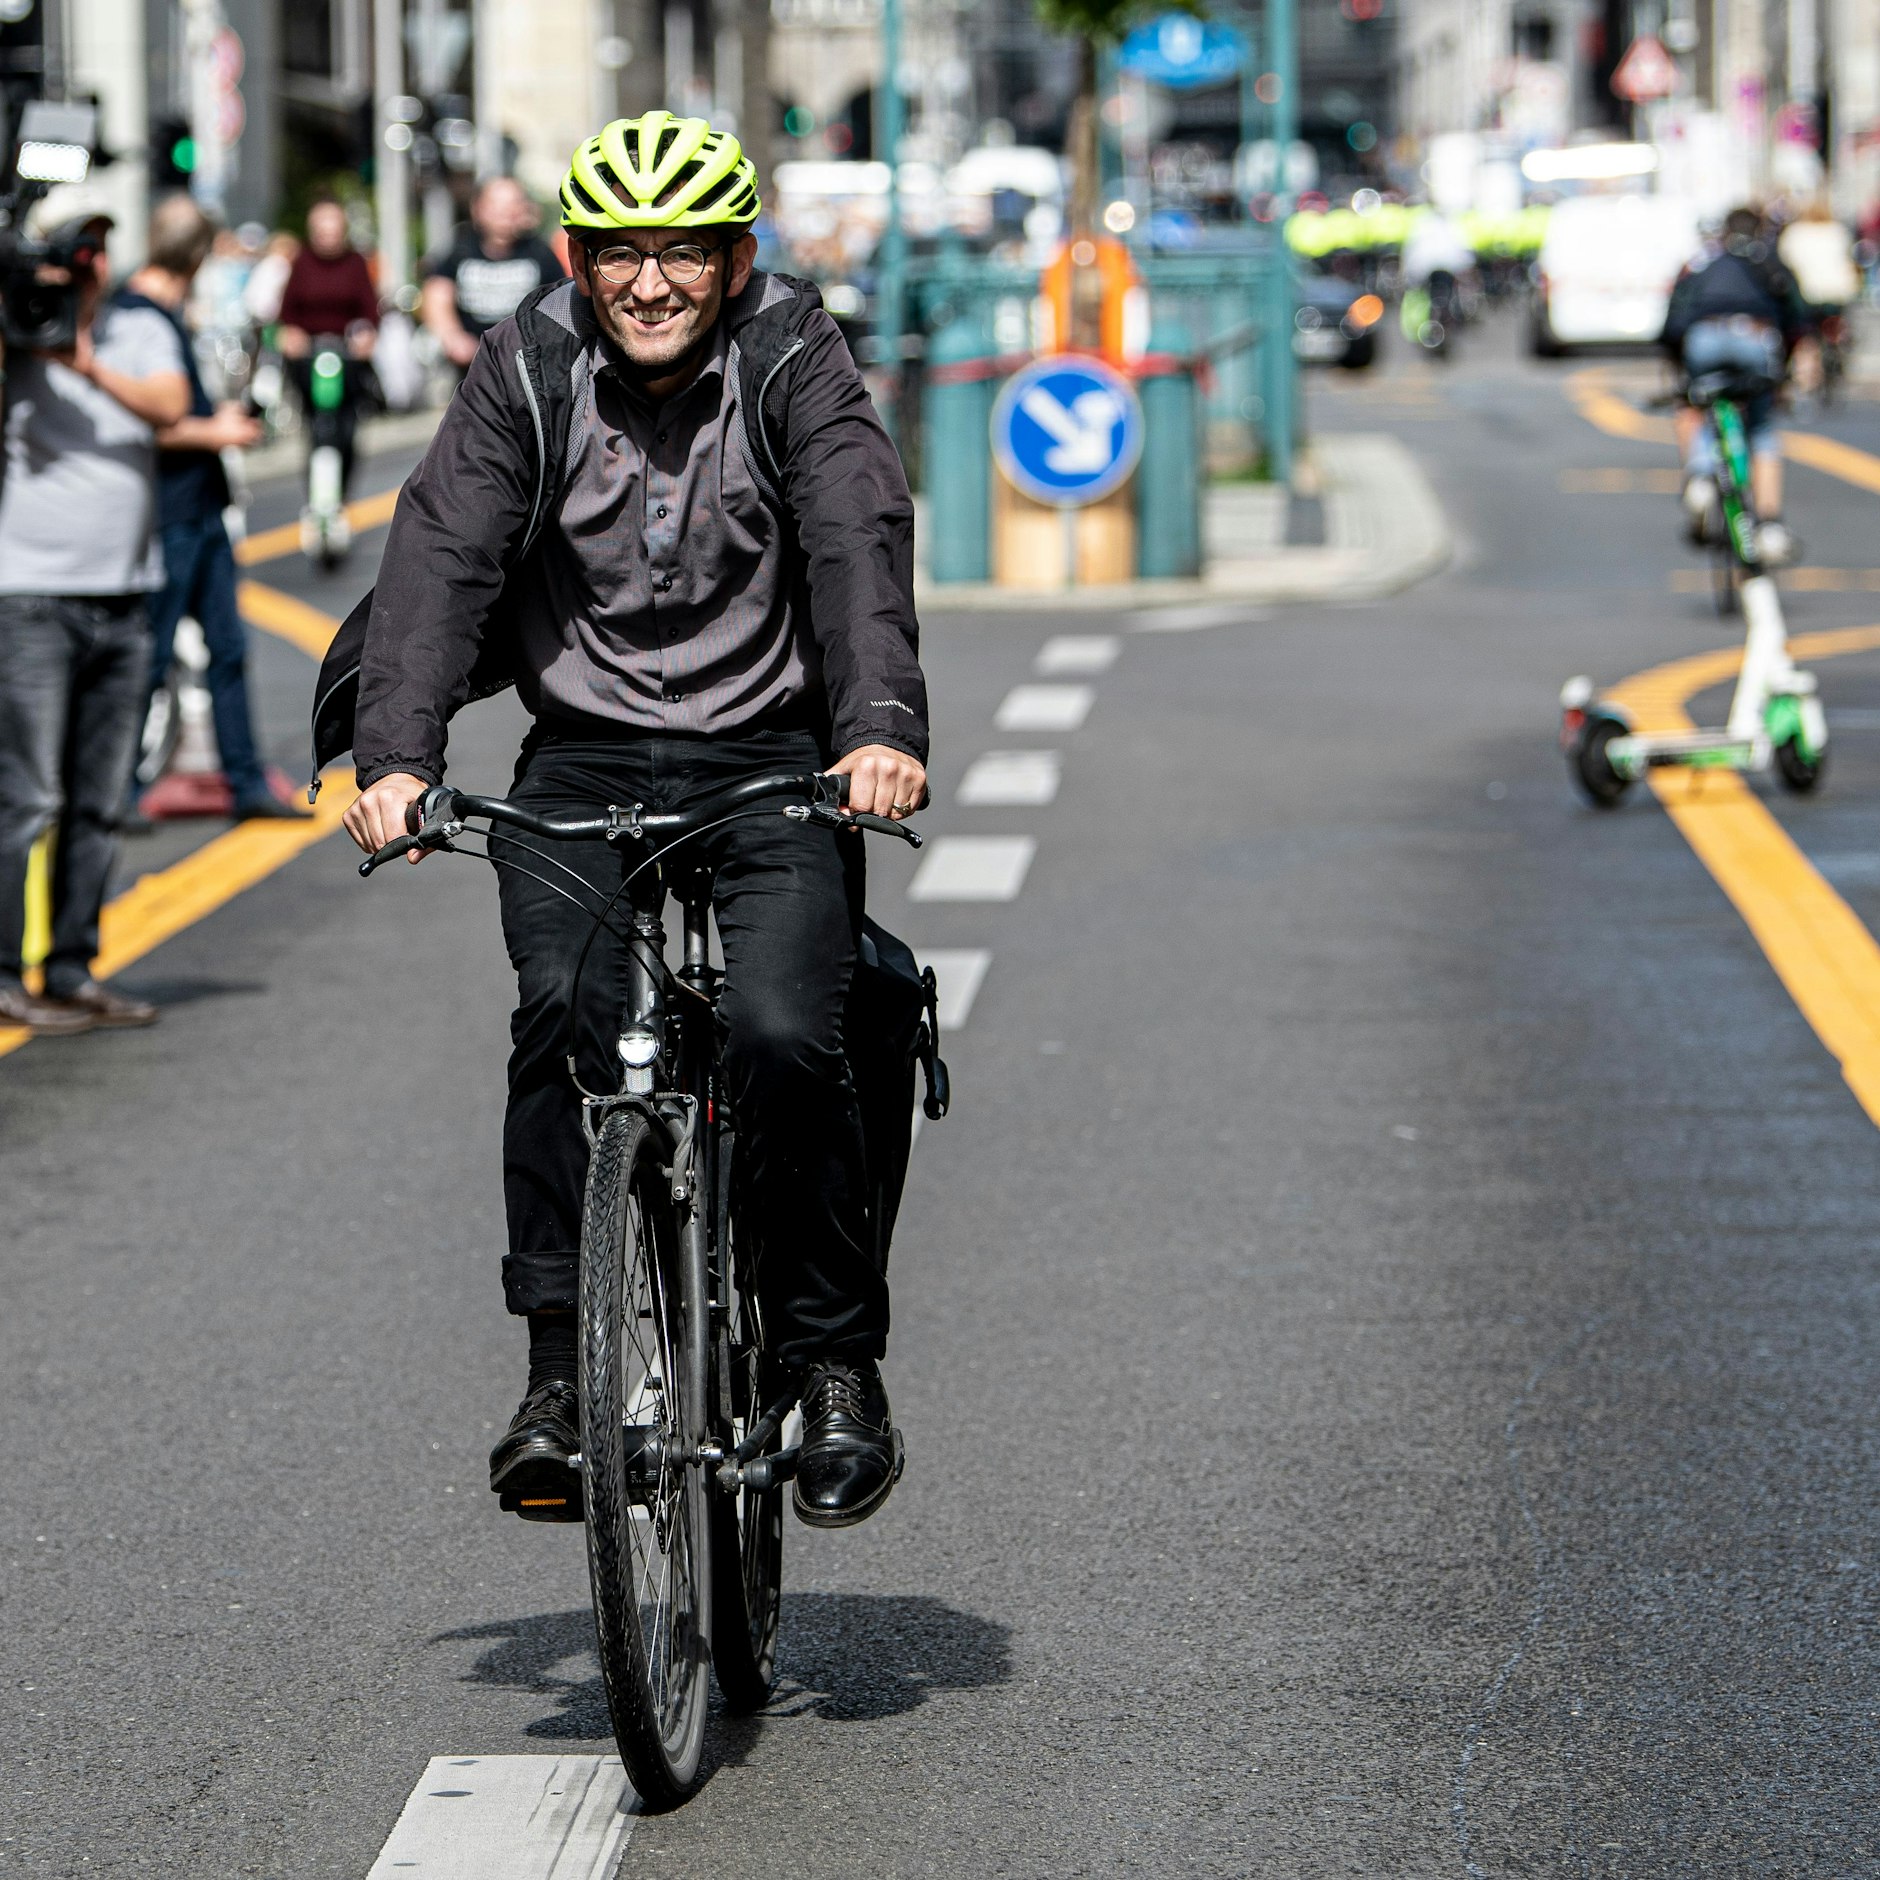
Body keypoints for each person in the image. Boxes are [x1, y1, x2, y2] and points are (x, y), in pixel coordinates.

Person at [340, 112, 928, 1530]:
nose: (649, 280)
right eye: (619, 252)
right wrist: (397, 755)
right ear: (573, 258)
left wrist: (878, 733)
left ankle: (832, 1362)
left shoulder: (796, 357)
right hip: (585, 757)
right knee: (562, 1011)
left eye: (680, 251)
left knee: (798, 1028)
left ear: (734, 262)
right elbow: (442, 555)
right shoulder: (527, 364)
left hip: (771, 755)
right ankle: (558, 1375)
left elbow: (855, 540)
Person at [0, 190, 190, 1035]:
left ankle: (70, 967)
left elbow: (170, 407)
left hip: (125, 596)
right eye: (75, 249)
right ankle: (5, 971)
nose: (89, 265)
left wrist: (82, 361)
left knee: (98, 800)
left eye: (99, 250)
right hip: (29, 598)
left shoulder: (136, 327)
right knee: (28, 798)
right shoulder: (14, 326)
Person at [117, 195, 307, 822]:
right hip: (165, 510)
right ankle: (117, 789)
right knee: (151, 652)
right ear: (196, 253)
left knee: (226, 647)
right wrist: (216, 432)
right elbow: (140, 422)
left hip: (200, 507)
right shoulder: (134, 316)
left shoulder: (166, 312)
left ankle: (245, 781)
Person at [1663, 206, 1811, 564]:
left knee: (1697, 409)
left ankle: (1699, 478)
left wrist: (1681, 373)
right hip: (1755, 337)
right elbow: (1797, 320)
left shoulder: (1703, 262)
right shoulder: (1770, 264)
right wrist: (1783, 376)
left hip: (1704, 336)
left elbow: (1673, 322)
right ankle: (1770, 525)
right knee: (1760, 428)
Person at [277, 197, 379, 498]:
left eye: (333, 229)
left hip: (346, 357)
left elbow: (370, 311)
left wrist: (366, 337)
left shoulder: (355, 263)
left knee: (347, 430)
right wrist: (291, 335)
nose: (328, 236)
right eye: (321, 230)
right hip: (309, 359)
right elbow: (287, 312)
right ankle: (316, 495)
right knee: (316, 428)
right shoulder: (302, 263)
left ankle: (342, 491)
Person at [421, 176, 565, 370]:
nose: (506, 212)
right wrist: (452, 336)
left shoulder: (540, 253)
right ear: (478, 208)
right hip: (472, 366)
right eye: (497, 204)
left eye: (514, 203)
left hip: (527, 365)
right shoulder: (460, 249)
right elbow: (437, 294)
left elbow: (561, 303)